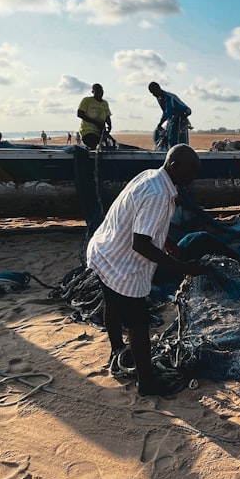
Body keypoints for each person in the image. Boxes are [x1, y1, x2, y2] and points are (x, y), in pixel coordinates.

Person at [86, 144, 207, 397]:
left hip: (103, 249)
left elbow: (142, 223)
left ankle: (117, 350)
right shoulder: (159, 195)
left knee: (112, 302)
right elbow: (140, 243)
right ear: (175, 167)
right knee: (138, 322)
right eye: (191, 171)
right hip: (121, 262)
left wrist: (165, 240)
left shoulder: (151, 176)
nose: (193, 178)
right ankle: (147, 382)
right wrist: (182, 267)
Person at [148, 82, 192, 149]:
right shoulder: (160, 98)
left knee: (175, 140)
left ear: (159, 89)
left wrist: (160, 124)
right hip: (172, 118)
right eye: (152, 93)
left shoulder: (169, 97)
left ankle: (179, 154)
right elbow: (165, 112)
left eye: (154, 92)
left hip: (181, 117)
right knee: (169, 138)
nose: (154, 95)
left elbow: (168, 113)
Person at [77, 83, 112, 151]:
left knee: (108, 146)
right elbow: (79, 114)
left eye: (101, 92)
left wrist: (110, 125)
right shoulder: (87, 100)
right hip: (88, 132)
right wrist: (96, 122)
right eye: (97, 92)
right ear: (93, 92)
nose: (99, 94)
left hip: (100, 132)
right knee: (95, 146)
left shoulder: (105, 103)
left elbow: (107, 116)